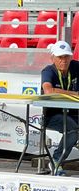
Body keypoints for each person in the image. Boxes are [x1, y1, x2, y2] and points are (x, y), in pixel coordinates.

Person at [40, 40, 79, 176]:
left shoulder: (76, 67)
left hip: (74, 114)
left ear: (71, 57)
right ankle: (56, 160)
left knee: (74, 126)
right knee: (73, 129)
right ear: (53, 58)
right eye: (60, 57)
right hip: (52, 115)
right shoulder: (48, 71)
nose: (64, 60)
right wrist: (74, 94)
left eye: (66, 57)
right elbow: (48, 91)